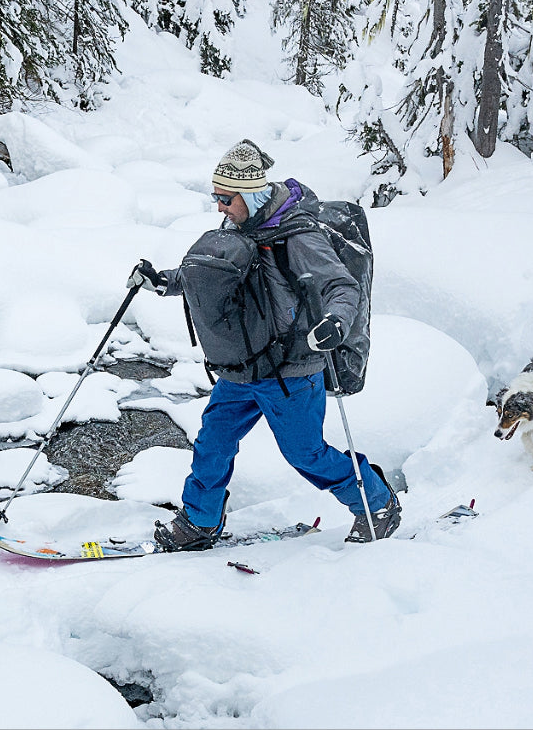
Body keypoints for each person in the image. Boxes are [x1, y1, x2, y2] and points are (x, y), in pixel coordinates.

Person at [128, 139, 401, 550]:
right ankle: (200, 521)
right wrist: (165, 281)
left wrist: (335, 323)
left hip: (291, 371)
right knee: (212, 442)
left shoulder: (298, 235)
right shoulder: (238, 225)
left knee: (305, 455)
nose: (219, 206)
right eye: (215, 196)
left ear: (252, 195)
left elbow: (341, 286)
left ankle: (376, 503)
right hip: (241, 367)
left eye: (226, 198)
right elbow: (219, 274)